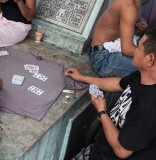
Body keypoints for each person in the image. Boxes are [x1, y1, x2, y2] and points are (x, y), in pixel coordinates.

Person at [65, 28, 156, 160]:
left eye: (138, 47)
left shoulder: (148, 107)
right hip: (98, 150)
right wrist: (83, 78)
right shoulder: (142, 76)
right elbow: (118, 84)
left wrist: (102, 112)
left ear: (150, 59)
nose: (135, 50)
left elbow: (122, 150)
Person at [89, 0, 156, 78]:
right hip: (103, 58)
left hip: (110, 49)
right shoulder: (129, 4)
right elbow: (127, 49)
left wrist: (136, 22)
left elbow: (119, 23)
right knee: (152, 69)